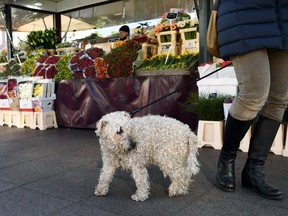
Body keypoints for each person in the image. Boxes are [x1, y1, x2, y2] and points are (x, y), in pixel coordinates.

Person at [216, 0, 288, 200]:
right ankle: (226, 158)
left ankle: (254, 170)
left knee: (279, 99)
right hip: (244, 14)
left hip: (282, 16)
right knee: (253, 94)